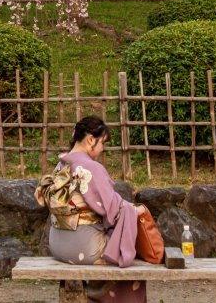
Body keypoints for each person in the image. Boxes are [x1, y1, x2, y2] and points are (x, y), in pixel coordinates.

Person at [35, 116, 146, 303]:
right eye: (102, 142)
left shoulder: (61, 165)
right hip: (84, 247)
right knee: (125, 251)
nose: (103, 149)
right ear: (91, 140)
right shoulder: (89, 168)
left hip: (57, 244)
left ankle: (95, 295)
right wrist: (134, 210)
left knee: (116, 239)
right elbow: (113, 211)